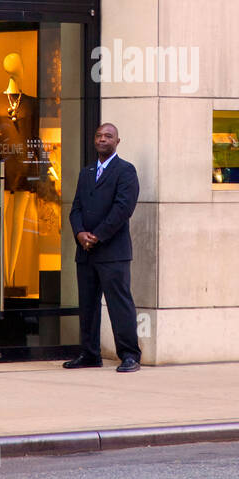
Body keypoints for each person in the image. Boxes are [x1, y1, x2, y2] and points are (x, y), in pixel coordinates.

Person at [65, 123, 142, 373]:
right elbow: (75, 207)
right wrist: (79, 234)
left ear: (117, 141)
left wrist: (96, 236)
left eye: (108, 136)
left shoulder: (126, 171)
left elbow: (123, 209)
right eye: (98, 135)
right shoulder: (86, 172)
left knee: (119, 304)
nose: (102, 139)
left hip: (112, 252)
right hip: (85, 251)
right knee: (87, 305)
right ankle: (89, 354)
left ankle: (129, 355)